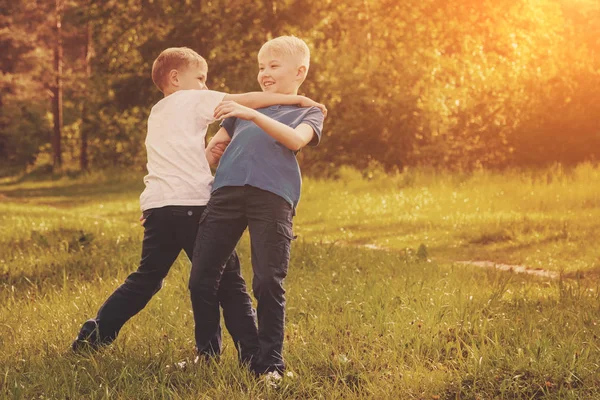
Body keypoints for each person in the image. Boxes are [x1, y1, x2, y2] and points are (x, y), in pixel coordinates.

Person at [72, 47, 325, 366]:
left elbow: (209, 149)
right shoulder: (190, 99)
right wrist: (298, 101)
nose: (206, 87)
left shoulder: (157, 112)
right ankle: (250, 355)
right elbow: (244, 100)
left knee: (147, 277)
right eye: (201, 79)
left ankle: (94, 335)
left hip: (158, 206)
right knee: (229, 281)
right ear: (176, 79)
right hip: (192, 205)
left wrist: (154, 206)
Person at [189, 36, 325, 376]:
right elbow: (212, 151)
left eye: (273, 66)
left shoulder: (308, 111)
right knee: (202, 277)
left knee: (267, 282)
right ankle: (207, 355)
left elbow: (295, 140)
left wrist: (252, 112)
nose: (264, 73)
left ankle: (270, 366)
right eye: (261, 67)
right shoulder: (241, 112)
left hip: (272, 196)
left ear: (300, 71)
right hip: (225, 194)